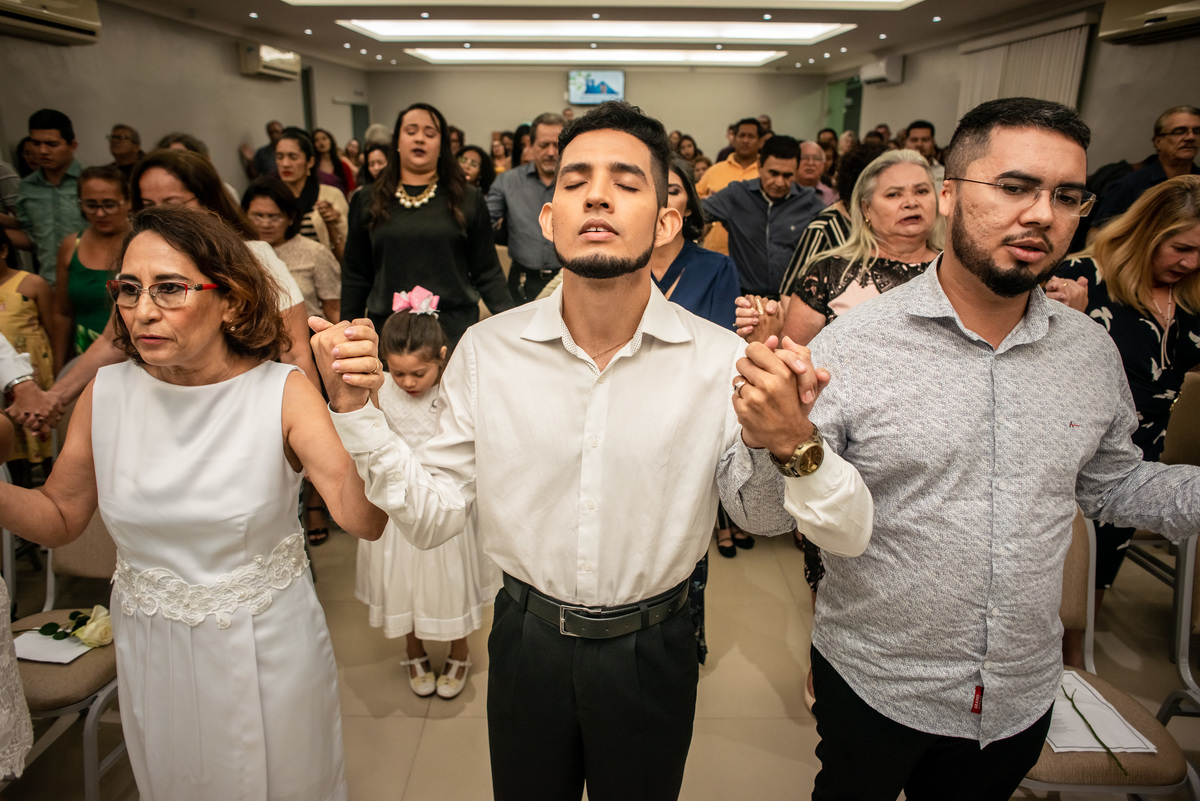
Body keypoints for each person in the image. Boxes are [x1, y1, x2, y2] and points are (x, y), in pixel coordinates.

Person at [314, 100, 813, 801]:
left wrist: (783, 439)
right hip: (525, 638)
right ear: (549, 220)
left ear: (667, 219)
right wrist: (356, 414)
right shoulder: (488, 352)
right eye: (575, 181)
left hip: (657, 642)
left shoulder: (718, 358)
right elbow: (430, 518)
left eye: (627, 181)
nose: (598, 195)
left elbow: (762, 518)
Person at [749, 96, 1200, 800]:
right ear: (950, 198)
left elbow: (1112, 486)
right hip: (878, 680)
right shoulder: (856, 345)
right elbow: (771, 514)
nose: (1043, 214)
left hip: (1019, 691)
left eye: (1066, 196)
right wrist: (778, 438)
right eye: (1015, 187)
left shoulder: (1086, 352)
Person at [0, 205, 386, 800]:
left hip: (264, 647)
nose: (143, 310)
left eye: (170, 289)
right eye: (130, 290)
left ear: (230, 298)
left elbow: (364, 520)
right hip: (152, 649)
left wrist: (355, 409)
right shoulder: (107, 393)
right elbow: (57, 518)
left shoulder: (281, 393)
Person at [38, 149, 320, 426]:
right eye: (148, 204)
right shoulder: (142, 261)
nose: (161, 216)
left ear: (208, 200)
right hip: (161, 409)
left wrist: (313, 428)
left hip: (238, 411)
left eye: (173, 203)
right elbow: (112, 341)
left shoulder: (254, 256)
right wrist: (53, 398)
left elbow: (295, 351)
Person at [1052, 175, 1200, 666]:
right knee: (1061, 558)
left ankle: (1076, 665)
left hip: (1147, 443)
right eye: (1180, 247)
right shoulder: (1082, 278)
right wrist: (1066, 321)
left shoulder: (1193, 294)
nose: (1190, 262)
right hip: (1080, 437)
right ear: (1149, 231)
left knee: (1105, 559)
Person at [356, 293, 499, 698]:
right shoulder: (379, 389)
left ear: (441, 356)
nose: (407, 383)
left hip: (444, 498)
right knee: (402, 583)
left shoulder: (455, 389)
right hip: (396, 503)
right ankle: (413, 649)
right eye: (398, 373)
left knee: (450, 581)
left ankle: (458, 650)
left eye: (418, 373)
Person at [342, 102, 513, 347]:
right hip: (388, 333)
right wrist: (349, 333)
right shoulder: (367, 199)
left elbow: (487, 272)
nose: (420, 139)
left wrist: (511, 324)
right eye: (411, 132)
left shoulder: (468, 198)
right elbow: (356, 276)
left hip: (453, 331)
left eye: (429, 133)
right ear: (397, 142)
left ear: (442, 146)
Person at [740, 148, 942, 346]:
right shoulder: (828, 271)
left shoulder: (954, 269)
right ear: (867, 209)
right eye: (894, 195)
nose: (911, 202)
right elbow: (793, 354)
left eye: (922, 191)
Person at [702, 135, 824, 296]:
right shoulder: (736, 195)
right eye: (773, 173)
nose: (780, 182)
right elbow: (695, 214)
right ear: (759, 166)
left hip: (791, 300)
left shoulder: (808, 200)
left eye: (787, 176)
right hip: (743, 299)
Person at [54, 165, 130, 367]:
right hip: (84, 356)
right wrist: (59, 366)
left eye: (109, 204)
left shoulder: (140, 241)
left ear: (128, 202)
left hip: (132, 355)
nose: (100, 213)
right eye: (90, 205)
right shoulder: (71, 245)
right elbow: (62, 313)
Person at [487, 112, 565, 303]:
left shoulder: (582, 182)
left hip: (569, 279)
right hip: (522, 281)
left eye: (557, 145)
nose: (550, 152)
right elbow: (481, 223)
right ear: (530, 145)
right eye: (543, 145)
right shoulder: (507, 181)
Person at [242, 177, 340, 323]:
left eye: (274, 217)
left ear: (290, 218)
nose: (265, 223)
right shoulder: (241, 252)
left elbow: (334, 310)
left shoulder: (315, 253)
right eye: (257, 216)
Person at [0, 230, 54, 485]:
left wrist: (21, 382)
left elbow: (53, 325)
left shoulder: (31, 283)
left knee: (38, 434)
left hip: (31, 370)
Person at [1089, 105, 1200, 230]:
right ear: (1158, 142)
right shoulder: (1130, 185)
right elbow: (1099, 235)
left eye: (1197, 131)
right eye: (1179, 131)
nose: (1191, 137)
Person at [16, 109, 85, 285]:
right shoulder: (27, 187)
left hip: (89, 281)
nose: (43, 151)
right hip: (49, 281)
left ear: (72, 145)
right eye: (36, 143)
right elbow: (32, 237)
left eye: (51, 144)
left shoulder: (88, 183)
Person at [275, 128, 349, 260]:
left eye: (293, 157)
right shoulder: (273, 197)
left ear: (310, 161)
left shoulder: (331, 195)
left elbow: (348, 247)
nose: (285, 164)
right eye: (280, 157)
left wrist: (333, 222)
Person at [696, 118, 763, 257]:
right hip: (714, 253)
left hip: (754, 256)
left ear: (760, 141)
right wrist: (706, 199)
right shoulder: (714, 170)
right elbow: (692, 199)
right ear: (734, 138)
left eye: (751, 136)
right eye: (741, 135)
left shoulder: (766, 173)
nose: (745, 140)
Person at [312, 128, 357, 196]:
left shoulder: (342, 165)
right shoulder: (312, 166)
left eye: (324, 138)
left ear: (330, 140)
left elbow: (350, 189)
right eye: (316, 140)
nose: (321, 142)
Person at [796, 140, 839, 206]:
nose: (810, 163)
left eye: (816, 158)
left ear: (823, 165)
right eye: (804, 157)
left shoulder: (833, 196)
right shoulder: (784, 192)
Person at [106, 124, 143, 188]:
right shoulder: (106, 172)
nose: (114, 141)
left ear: (136, 146)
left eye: (121, 138)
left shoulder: (145, 169)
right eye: (112, 137)